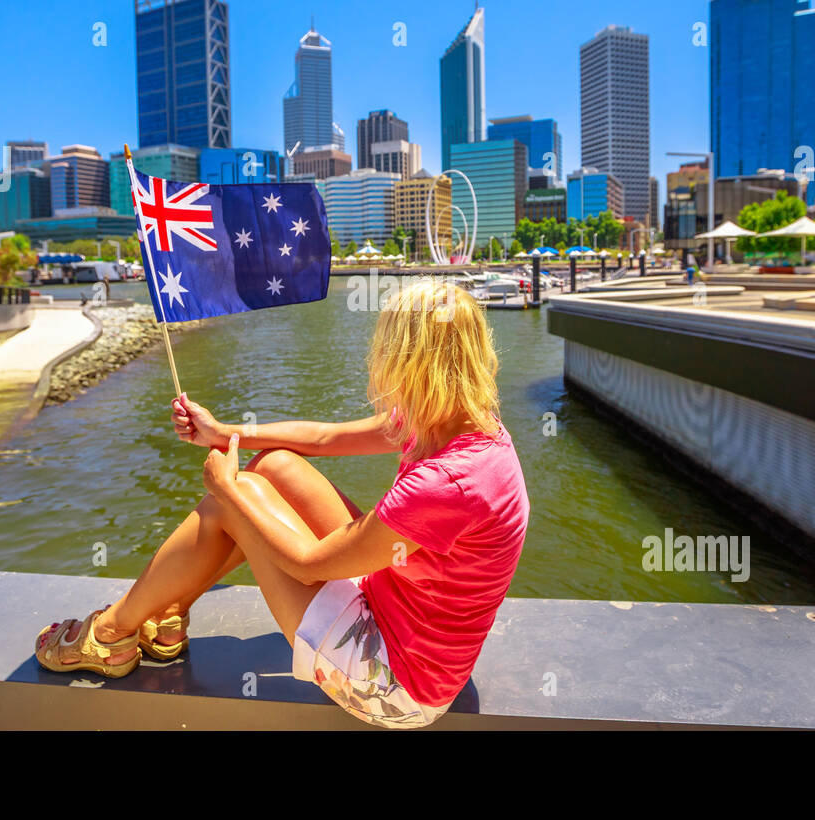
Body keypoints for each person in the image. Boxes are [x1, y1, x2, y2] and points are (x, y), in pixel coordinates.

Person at [34, 279, 531, 729]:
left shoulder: (446, 482)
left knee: (238, 498)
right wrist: (223, 432)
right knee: (273, 466)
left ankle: (111, 633)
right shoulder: (459, 421)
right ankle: (164, 619)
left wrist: (228, 491)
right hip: (401, 613)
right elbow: (324, 436)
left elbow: (308, 565)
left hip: (395, 685)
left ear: (407, 360)